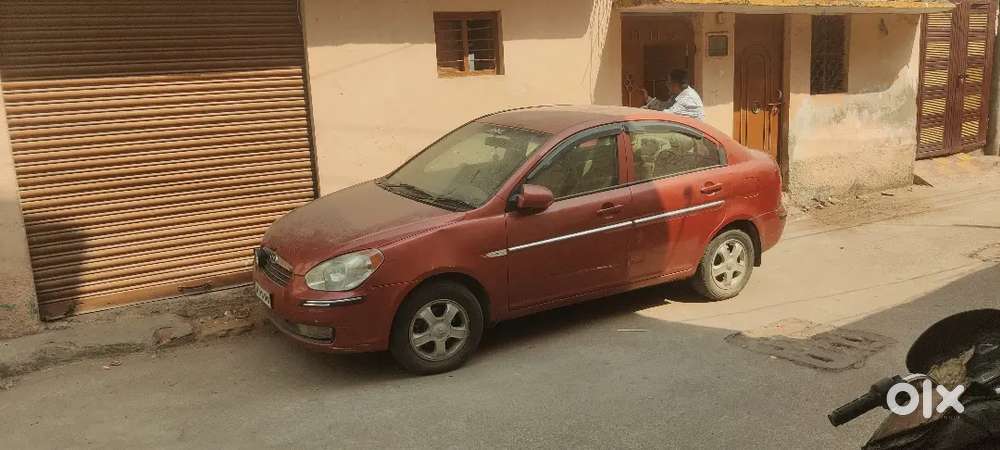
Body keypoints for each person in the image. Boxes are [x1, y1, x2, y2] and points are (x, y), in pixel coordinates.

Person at [640, 69, 705, 121]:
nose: (667, 85)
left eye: (669, 82)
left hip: (692, 135)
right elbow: (664, 106)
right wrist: (647, 99)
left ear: (675, 85)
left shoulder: (688, 99)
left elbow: (667, 115)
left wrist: (644, 113)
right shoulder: (678, 95)